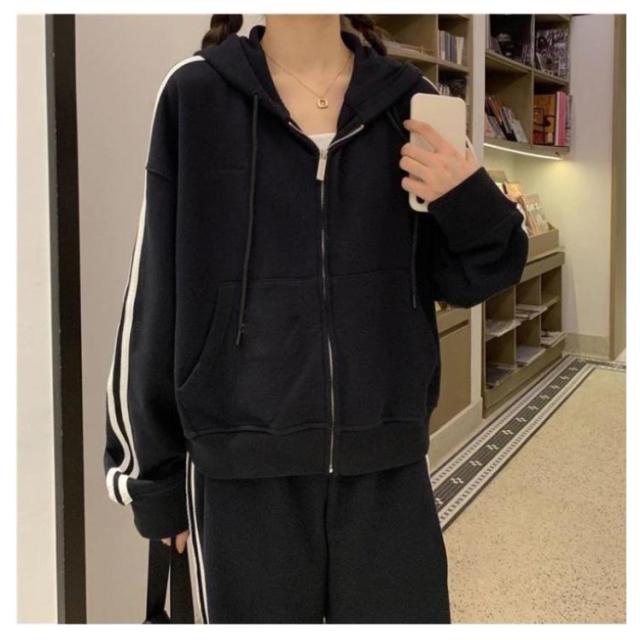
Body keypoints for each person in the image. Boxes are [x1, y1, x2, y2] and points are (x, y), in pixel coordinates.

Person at [103, 14, 529, 623]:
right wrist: (154, 480)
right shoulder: (194, 95)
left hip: (386, 467)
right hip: (239, 476)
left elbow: (475, 277)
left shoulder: (407, 101)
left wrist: (466, 196)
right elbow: (154, 293)